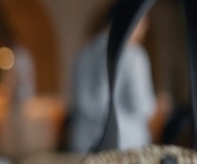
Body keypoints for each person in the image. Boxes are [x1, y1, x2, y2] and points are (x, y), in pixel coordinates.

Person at [66, 16, 157, 153]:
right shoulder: (134, 55)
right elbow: (139, 104)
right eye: (143, 23)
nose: (144, 30)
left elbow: (79, 101)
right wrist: (154, 105)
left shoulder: (82, 54)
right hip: (124, 145)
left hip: (83, 143)